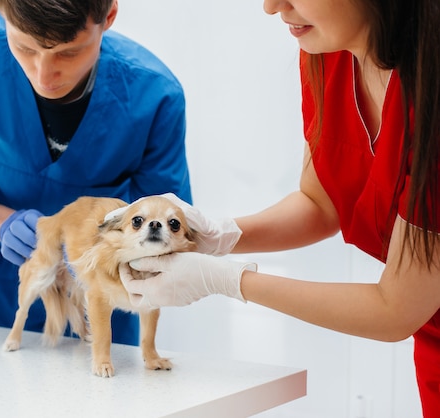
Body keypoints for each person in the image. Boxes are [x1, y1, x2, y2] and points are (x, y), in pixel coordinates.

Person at [117, 0, 440, 414]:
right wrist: (217, 236)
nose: (272, 7)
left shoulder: (430, 91)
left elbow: (396, 309)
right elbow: (320, 202)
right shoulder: (329, 53)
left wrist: (229, 281)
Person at [0, 0, 192, 346]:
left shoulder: (154, 95)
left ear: (108, 17)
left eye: (68, 53)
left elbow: (167, 218)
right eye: (24, 47)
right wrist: (4, 224)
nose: (43, 75)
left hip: (104, 299)